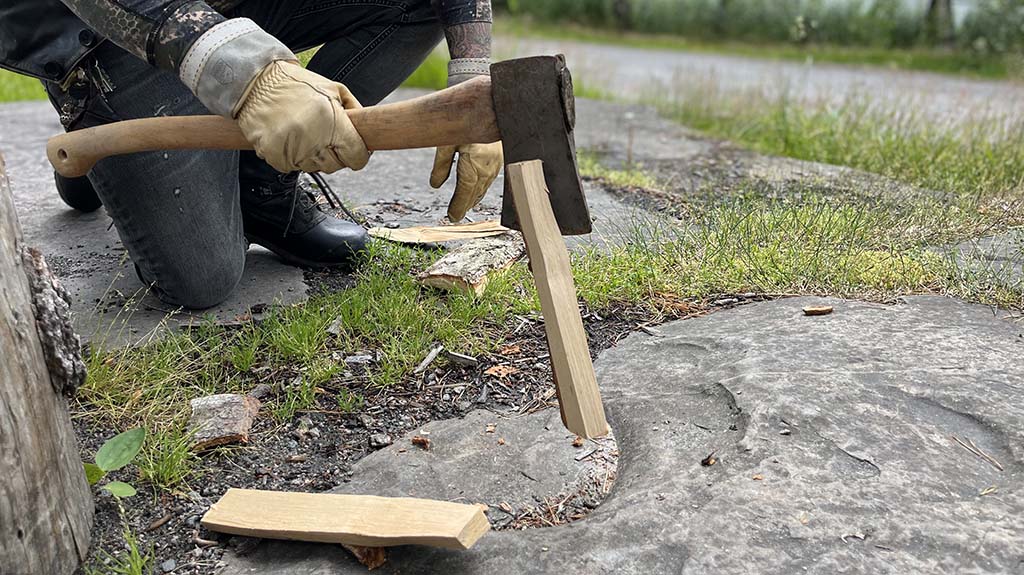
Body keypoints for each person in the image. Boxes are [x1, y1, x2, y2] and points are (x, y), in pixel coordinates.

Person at [0, 0, 503, 309]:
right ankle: (99, 138)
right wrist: (248, 74)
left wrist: (474, 78)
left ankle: (263, 188)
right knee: (202, 278)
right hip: (112, 26)